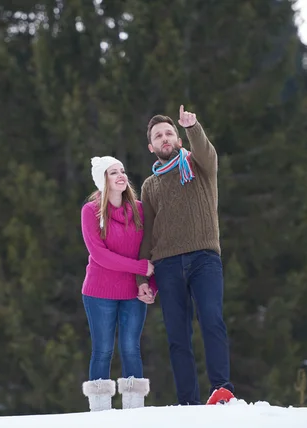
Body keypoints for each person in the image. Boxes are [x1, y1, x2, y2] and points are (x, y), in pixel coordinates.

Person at [135, 105, 235, 406]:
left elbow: (208, 152)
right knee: (178, 336)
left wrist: (193, 127)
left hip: (204, 257)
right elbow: (148, 232)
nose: (165, 138)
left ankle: (221, 389)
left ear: (177, 140)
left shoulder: (198, 165)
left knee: (211, 318)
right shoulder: (149, 186)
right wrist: (143, 277)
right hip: (167, 265)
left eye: (169, 133)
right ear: (151, 147)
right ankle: (187, 402)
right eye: (158, 136)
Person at [80, 155, 157, 412]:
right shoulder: (90, 211)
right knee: (102, 349)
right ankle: (100, 413)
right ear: (103, 180)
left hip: (133, 293)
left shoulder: (139, 210)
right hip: (99, 292)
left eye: (122, 170)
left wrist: (151, 284)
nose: (121, 175)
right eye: (113, 172)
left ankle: (134, 412)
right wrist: (138, 268)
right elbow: (99, 255)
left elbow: (150, 249)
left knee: (130, 348)